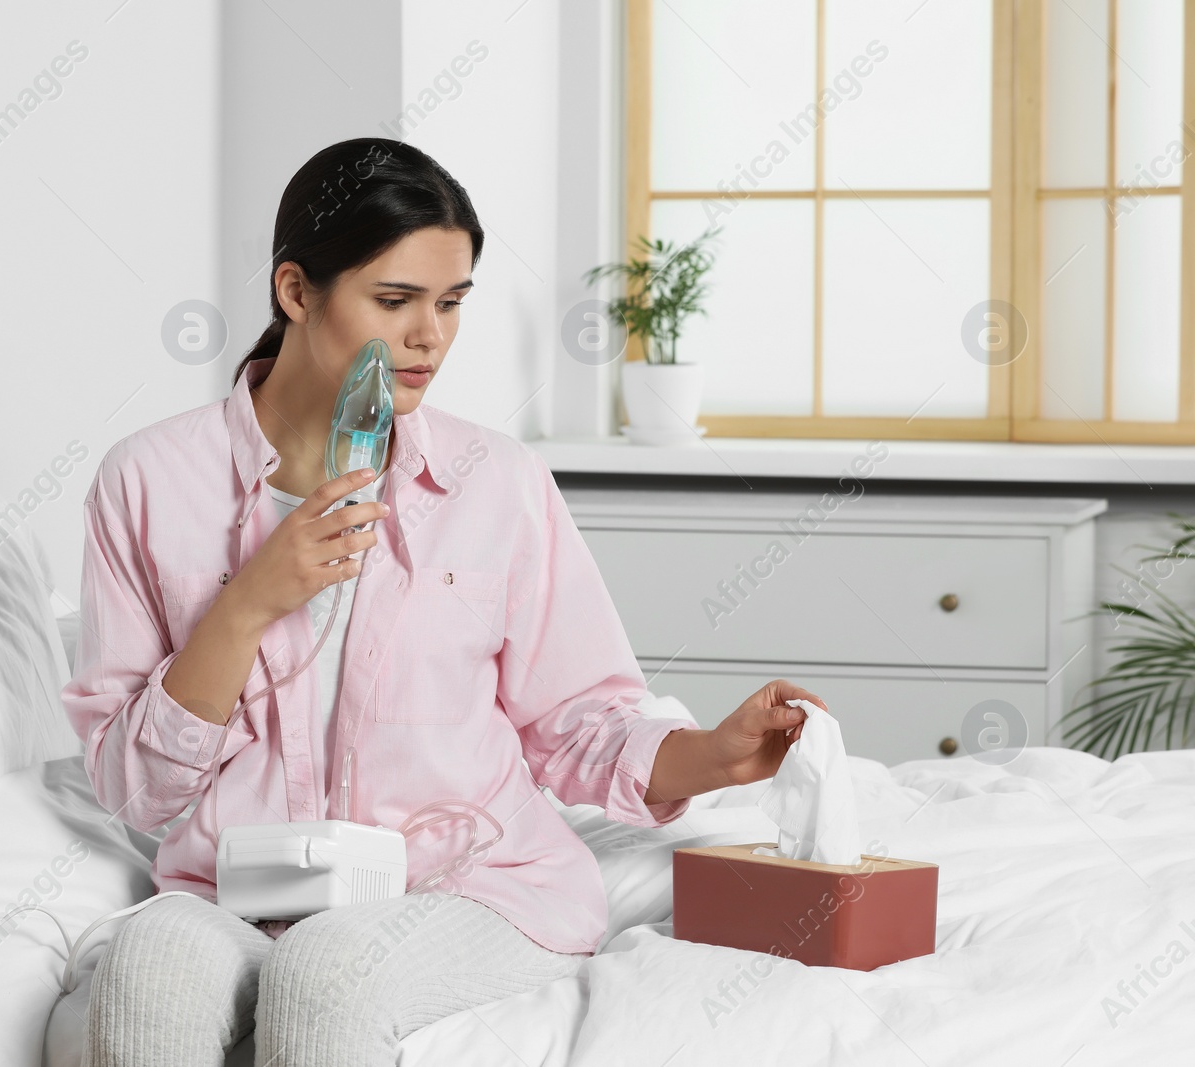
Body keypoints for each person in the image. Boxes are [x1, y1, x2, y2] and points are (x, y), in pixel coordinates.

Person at [61, 137, 827, 1066]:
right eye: (395, 301)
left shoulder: (495, 481)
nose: (432, 336)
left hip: (471, 890)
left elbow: (577, 719)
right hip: (237, 891)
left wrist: (708, 756)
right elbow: (134, 790)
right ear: (296, 291)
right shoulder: (146, 481)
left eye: (451, 301)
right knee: (149, 962)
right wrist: (247, 604)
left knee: (328, 970)